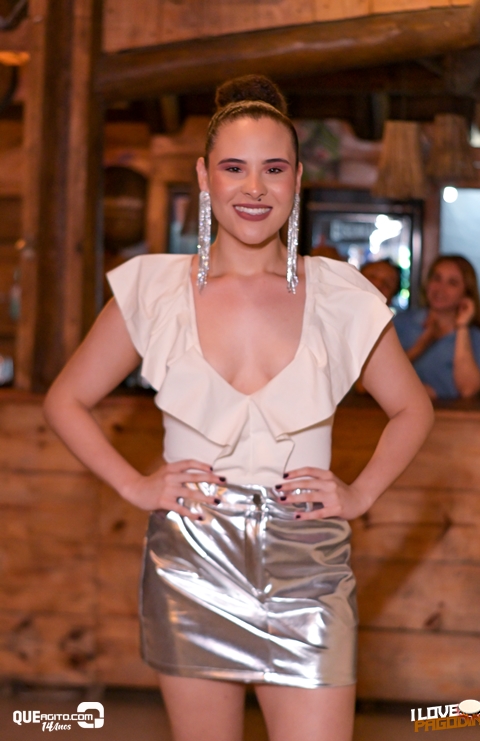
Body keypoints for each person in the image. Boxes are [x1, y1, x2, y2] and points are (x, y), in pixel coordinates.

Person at [44, 75, 433, 741]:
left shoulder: (339, 294)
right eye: (234, 168)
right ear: (204, 176)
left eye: (273, 169)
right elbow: (65, 400)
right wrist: (135, 485)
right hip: (192, 559)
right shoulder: (155, 290)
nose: (254, 188)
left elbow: (413, 409)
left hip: (308, 563)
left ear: (297, 179)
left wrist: (361, 492)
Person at [394, 255, 480, 400]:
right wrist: (424, 342)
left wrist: (462, 326)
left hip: (449, 414)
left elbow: (468, 390)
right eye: (436, 278)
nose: (440, 288)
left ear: (466, 292)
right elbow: (379, 375)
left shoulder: (477, 338)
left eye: (452, 283)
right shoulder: (401, 323)